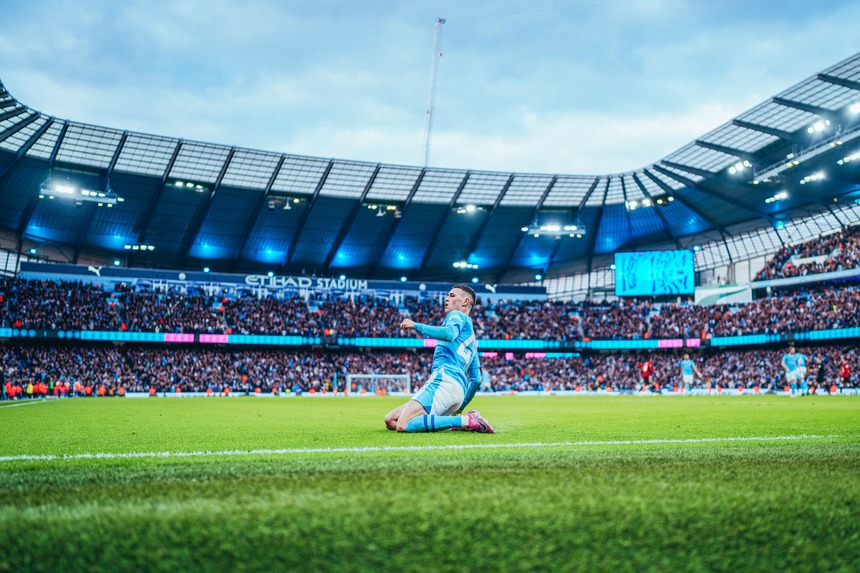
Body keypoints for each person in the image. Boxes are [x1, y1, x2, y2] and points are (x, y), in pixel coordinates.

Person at [384, 284, 494, 433]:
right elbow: (476, 379)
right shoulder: (471, 340)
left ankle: (465, 420)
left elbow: (449, 334)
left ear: (465, 301)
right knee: (390, 420)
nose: (447, 298)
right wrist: (460, 407)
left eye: (452, 295)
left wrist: (415, 325)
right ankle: (461, 419)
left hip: (444, 380)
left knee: (402, 425)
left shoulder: (456, 315)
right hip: (457, 392)